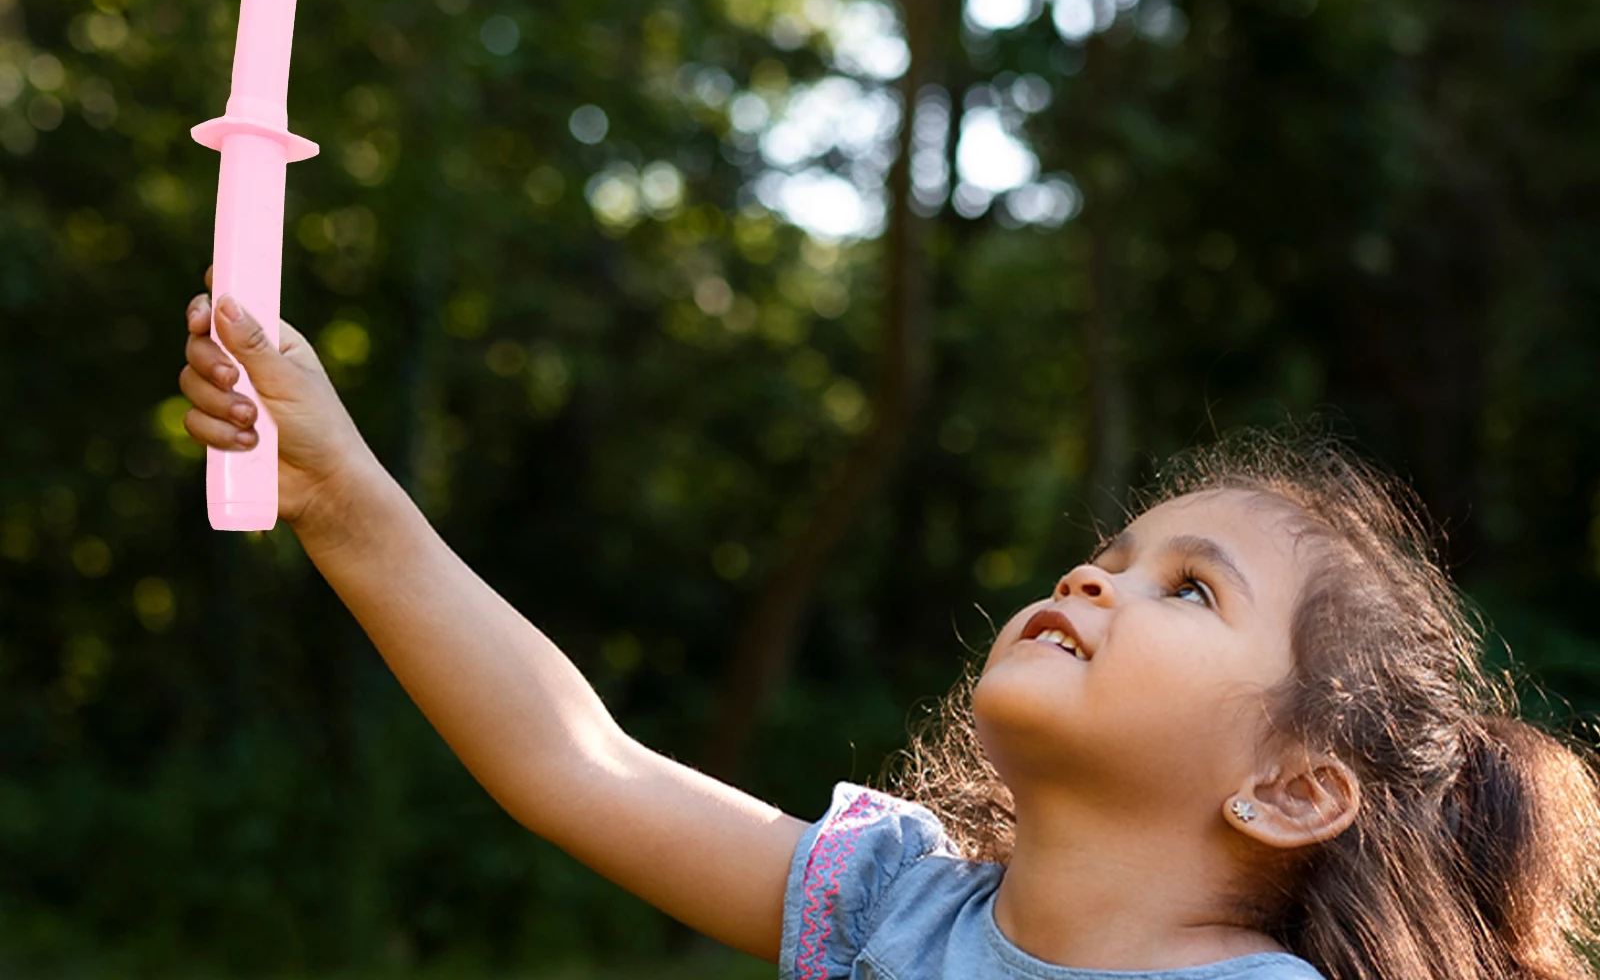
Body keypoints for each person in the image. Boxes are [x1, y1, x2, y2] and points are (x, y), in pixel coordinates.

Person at [179, 270, 1600, 980]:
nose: (1097, 578)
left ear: (1291, 787)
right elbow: (577, 767)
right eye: (1112, 552)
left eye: (1189, 587)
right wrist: (340, 494)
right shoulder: (895, 908)